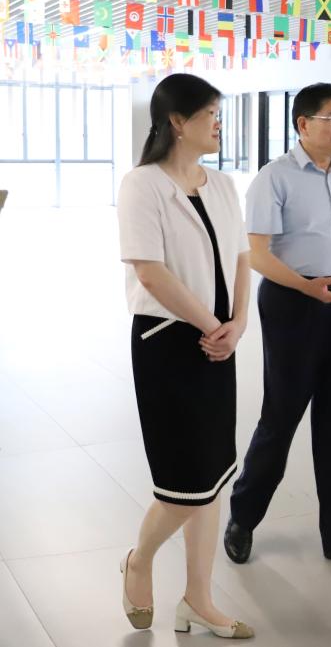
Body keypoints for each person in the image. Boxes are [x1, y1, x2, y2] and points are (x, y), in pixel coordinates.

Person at [224, 83, 331, 571]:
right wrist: (306, 287)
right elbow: (256, 252)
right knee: (281, 416)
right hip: (292, 303)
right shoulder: (274, 178)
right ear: (302, 124)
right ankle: (243, 517)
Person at [117, 73, 253, 639]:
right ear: (177, 122)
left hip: (220, 340)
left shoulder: (220, 184)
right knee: (183, 481)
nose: (219, 124)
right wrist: (213, 325)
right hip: (169, 341)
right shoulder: (142, 185)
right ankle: (139, 559)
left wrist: (238, 323)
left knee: (214, 475)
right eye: (211, 115)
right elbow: (149, 270)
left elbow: (241, 256)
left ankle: (198, 597)